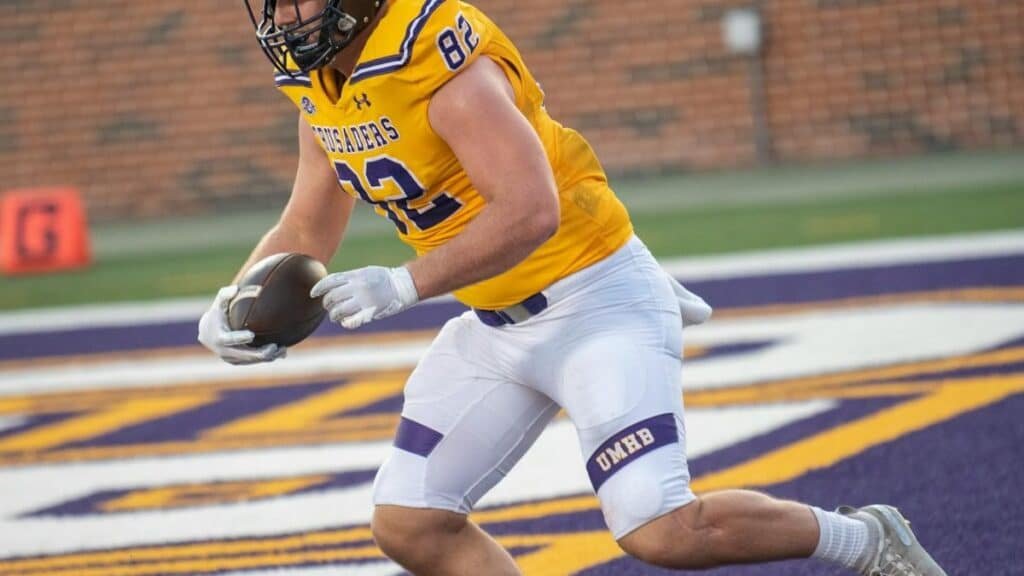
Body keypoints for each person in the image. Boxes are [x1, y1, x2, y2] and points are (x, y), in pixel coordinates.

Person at [198, 1, 947, 574]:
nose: (282, 17)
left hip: (594, 301)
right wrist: (234, 301)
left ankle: (864, 539)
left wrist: (403, 282)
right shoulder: (321, 83)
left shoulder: (439, 67)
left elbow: (531, 209)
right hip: (495, 324)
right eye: (273, 1)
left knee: (661, 529)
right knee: (409, 524)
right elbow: (307, 220)